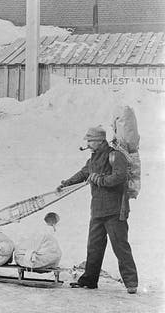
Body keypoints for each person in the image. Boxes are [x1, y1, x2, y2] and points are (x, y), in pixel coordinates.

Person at [57, 126, 138, 294]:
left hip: (115, 211)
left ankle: (131, 283)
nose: (87, 143)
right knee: (93, 247)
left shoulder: (115, 155)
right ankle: (89, 280)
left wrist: (100, 179)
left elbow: (120, 177)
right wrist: (66, 183)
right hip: (98, 211)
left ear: (100, 141)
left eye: (90, 140)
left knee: (120, 247)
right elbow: (83, 173)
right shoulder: (93, 159)